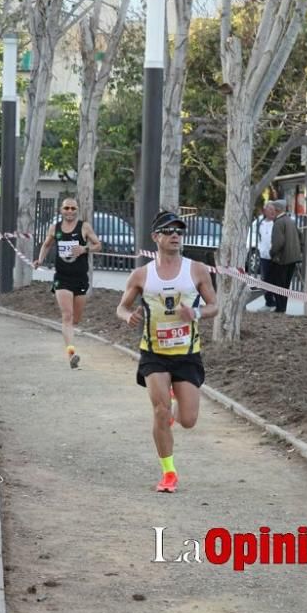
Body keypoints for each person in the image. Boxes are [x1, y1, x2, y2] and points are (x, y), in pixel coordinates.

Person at [115, 210, 218, 493]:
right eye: (169, 230)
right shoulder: (141, 275)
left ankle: (176, 402)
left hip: (186, 353)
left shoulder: (196, 269)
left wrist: (195, 312)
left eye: (179, 231)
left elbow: (214, 305)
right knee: (160, 412)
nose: (175, 235)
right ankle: (168, 473)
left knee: (187, 420)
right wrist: (128, 317)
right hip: (154, 353)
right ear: (155, 237)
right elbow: (121, 307)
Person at [33, 198, 102, 368]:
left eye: (73, 208)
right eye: (66, 208)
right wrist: (40, 260)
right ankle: (71, 354)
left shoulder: (84, 227)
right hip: (62, 278)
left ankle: (70, 340)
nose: (69, 211)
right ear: (61, 210)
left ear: (77, 210)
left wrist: (84, 249)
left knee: (76, 319)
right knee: (67, 316)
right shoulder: (54, 228)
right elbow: (47, 245)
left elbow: (98, 245)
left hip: (80, 278)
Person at [268, 200, 302, 313]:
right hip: (293, 258)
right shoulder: (291, 221)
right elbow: (301, 236)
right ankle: (283, 308)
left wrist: (272, 253)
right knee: (285, 286)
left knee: (277, 284)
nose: (271, 212)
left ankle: (279, 308)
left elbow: (278, 242)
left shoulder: (279, 222)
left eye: (272, 209)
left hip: (281, 259)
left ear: (277, 210)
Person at [257, 202, 276, 310]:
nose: (272, 211)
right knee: (265, 280)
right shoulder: (261, 223)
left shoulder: (277, 223)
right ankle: (269, 302)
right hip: (264, 256)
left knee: (276, 280)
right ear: (265, 211)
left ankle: (277, 303)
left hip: (275, 256)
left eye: (273, 209)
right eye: (269, 209)